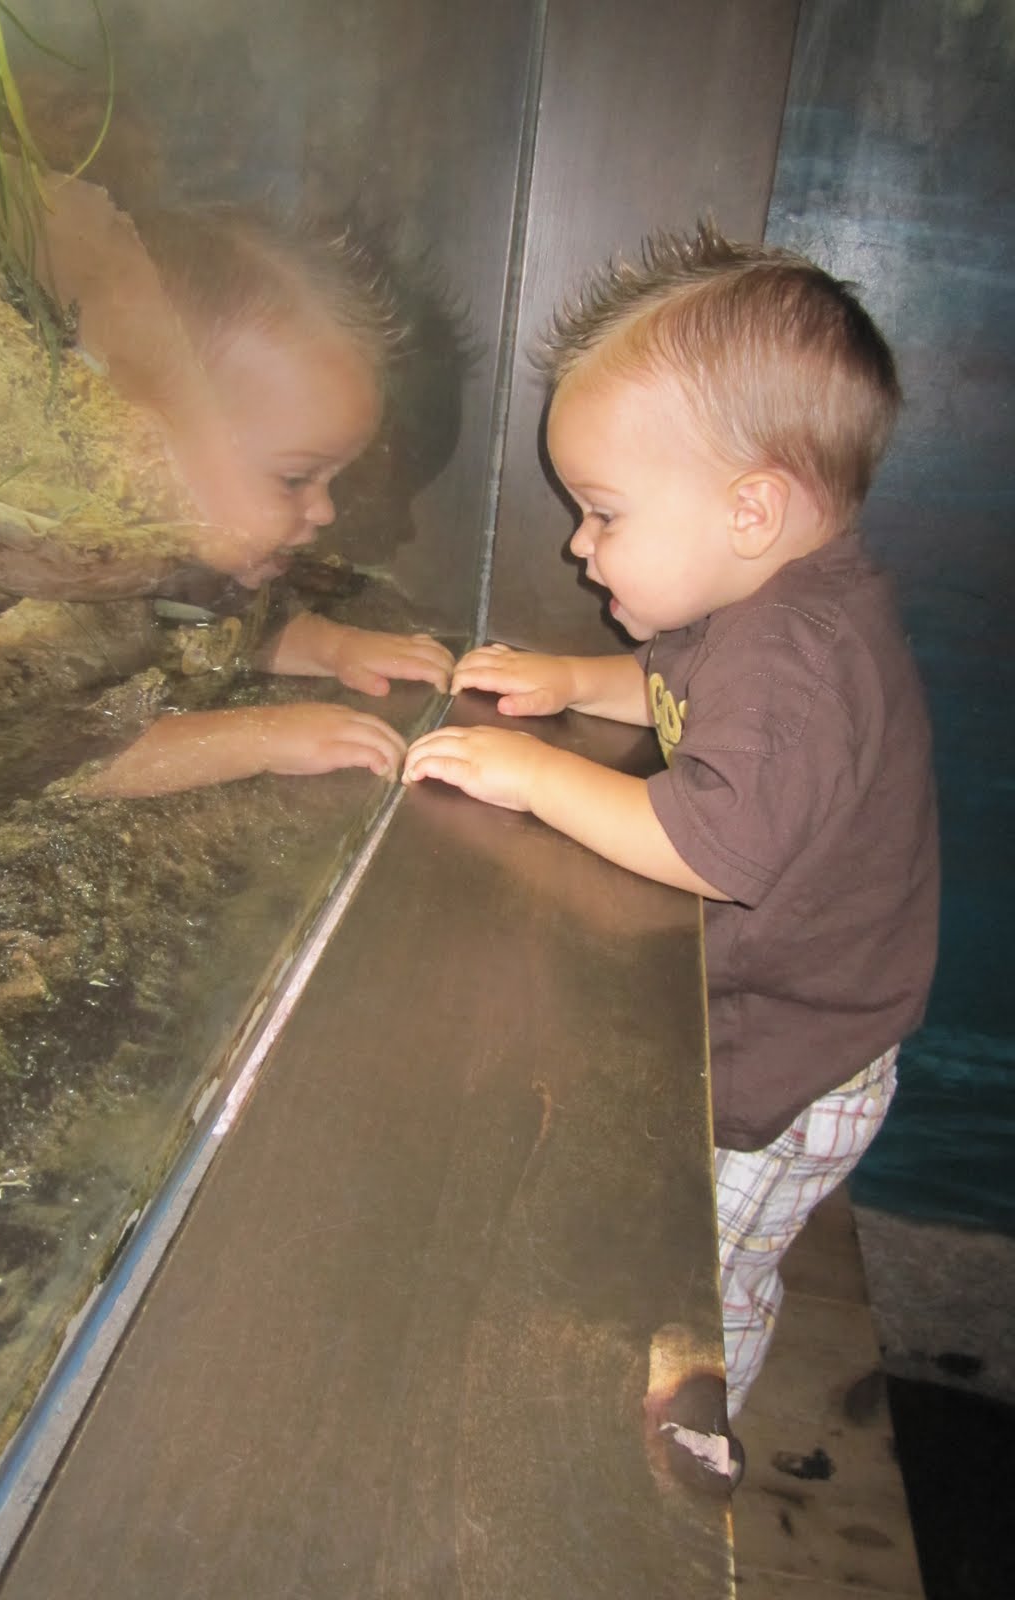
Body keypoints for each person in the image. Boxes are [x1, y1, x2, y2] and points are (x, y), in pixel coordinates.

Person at [403, 222, 939, 1444]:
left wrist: (534, 775)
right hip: (785, 1007)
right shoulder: (764, 598)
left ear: (751, 510)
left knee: (709, 1264)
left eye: (603, 513)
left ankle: (686, 1432)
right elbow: (673, 685)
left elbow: (703, 845)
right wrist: (569, 683)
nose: (577, 543)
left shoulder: (797, 660)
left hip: (798, 1051)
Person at [34, 186, 453, 795]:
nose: (324, 510)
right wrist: (259, 737)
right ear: (144, 438)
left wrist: (334, 648)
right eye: (294, 478)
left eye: (331, 479)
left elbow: (226, 625)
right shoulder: (61, 580)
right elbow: (58, 759)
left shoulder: (196, 559)